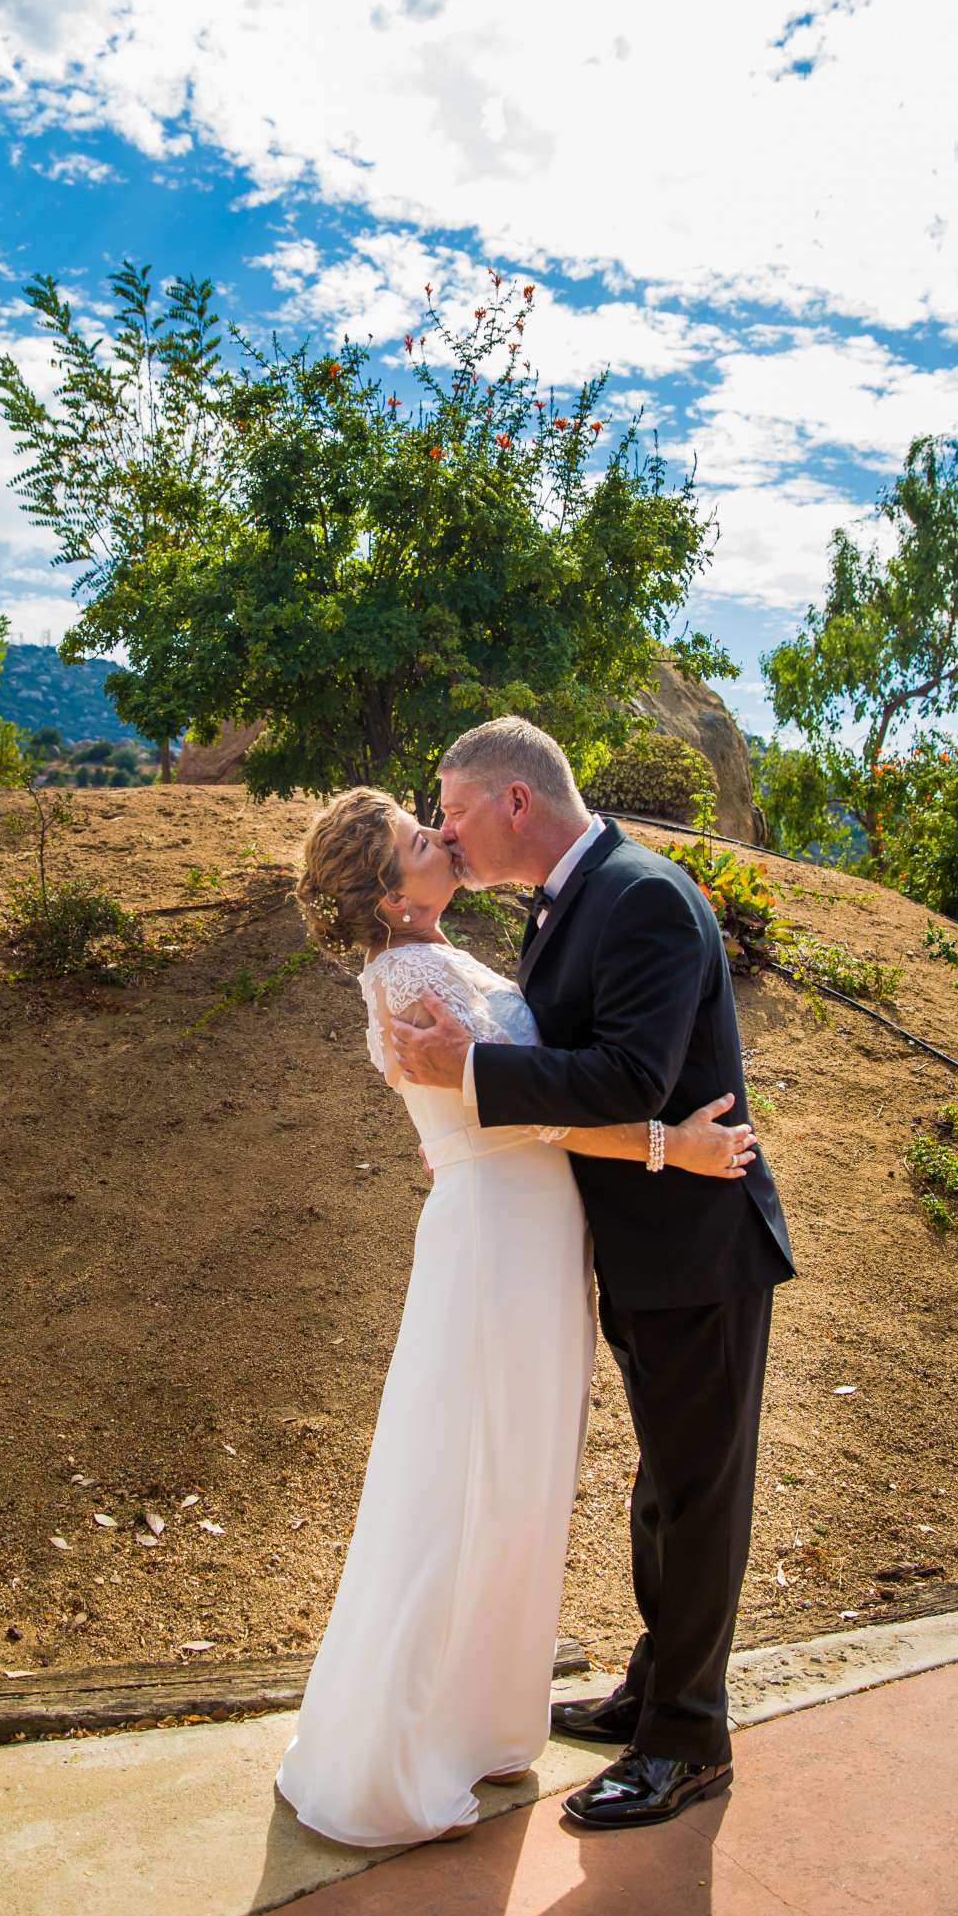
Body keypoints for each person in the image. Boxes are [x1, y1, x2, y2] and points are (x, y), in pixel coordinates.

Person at [274, 783, 759, 1850]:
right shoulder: (408, 972)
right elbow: (533, 1113)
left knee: (511, 1480)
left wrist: (470, 1114)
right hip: (501, 1242)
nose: (440, 834)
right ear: (390, 894)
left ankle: (487, 1717)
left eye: (436, 817)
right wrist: (674, 1147)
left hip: (533, 1235)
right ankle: (407, 1746)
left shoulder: (437, 957)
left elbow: (520, 1093)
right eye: (417, 836)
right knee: (469, 1479)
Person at [390, 716, 794, 1833]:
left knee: (701, 1493)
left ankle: (688, 1741)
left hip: (699, 1243)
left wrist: (475, 1070)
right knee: (664, 1489)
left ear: (515, 801)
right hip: (639, 1243)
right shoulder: (569, 898)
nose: (444, 828)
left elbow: (628, 1076)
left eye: (452, 804)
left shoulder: (643, 894)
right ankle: (650, 1691)